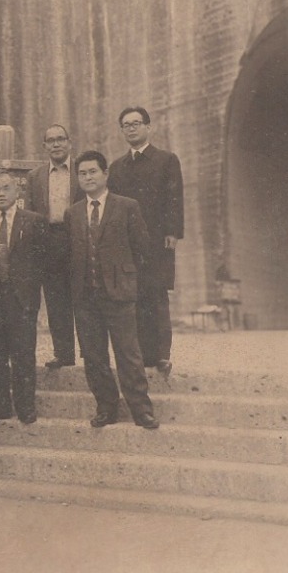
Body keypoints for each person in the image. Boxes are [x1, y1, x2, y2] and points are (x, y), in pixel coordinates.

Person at [67, 151, 159, 430]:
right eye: (82, 173)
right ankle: (106, 407)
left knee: (128, 353)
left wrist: (130, 284)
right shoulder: (73, 213)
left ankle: (141, 410)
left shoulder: (127, 206)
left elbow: (142, 249)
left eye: (93, 171)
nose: (88, 177)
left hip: (119, 294)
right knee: (94, 356)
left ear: (106, 174)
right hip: (86, 297)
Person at [107, 106, 184, 377]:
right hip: (127, 244)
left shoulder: (166, 160)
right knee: (133, 297)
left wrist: (173, 233)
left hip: (157, 241)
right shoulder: (116, 167)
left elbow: (174, 198)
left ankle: (162, 355)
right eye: (126, 124)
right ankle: (139, 355)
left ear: (148, 127)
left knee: (157, 295)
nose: (131, 128)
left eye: (136, 123)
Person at [0, 170, 49, 426]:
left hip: (21, 298)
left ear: (17, 191)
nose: (1, 194)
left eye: (6, 188)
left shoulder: (34, 220)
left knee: (24, 354)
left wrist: (30, 290)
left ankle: (25, 406)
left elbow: (42, 260)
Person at [24, 124, 77, 369]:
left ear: (68, 142)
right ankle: (63, 353)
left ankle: (91, 352)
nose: (56, 144)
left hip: (78, 238)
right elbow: (31, 214)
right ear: (44, 146)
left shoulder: (81, 171)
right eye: (51, 141)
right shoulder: (35, 177)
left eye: (60, 139)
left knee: (84, 297)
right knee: (56, 299)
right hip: (49, 240)